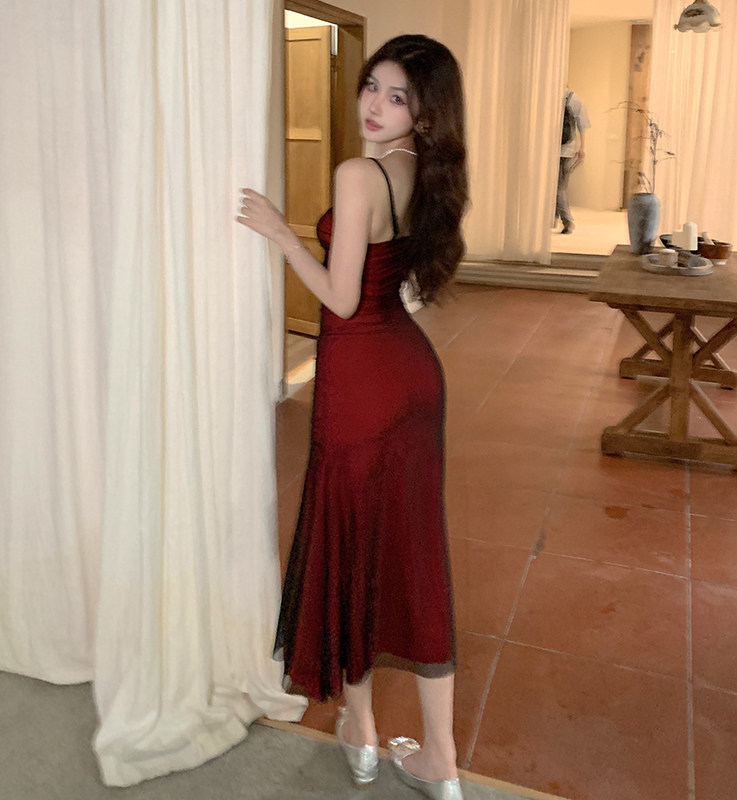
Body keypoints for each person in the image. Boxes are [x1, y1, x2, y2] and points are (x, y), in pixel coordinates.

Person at [237, 34, 468, 800]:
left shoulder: (358, 173)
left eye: (397, 96)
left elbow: (340, 298)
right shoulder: (425, 173)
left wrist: (281, 234)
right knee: (414, 556)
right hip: (414, 378)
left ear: (424, 112)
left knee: (350, 551)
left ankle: (362, 735)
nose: (374, 104)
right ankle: (441, 760)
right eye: (373, 86)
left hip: (361, 381)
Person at [556, 88, 590, 234]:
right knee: (560, 187)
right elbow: (582, 124)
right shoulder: (574, 99)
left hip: (550, 150)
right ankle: (562, 220)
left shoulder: (549, 95)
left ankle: (566, 220)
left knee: (556, 188)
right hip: (567, 149)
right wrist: (582, 147)